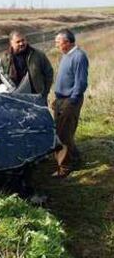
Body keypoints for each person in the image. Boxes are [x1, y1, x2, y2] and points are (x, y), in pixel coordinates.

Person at [53, 29, 89, 177]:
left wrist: (72, 101)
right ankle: (76, 158)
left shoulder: (79, 56)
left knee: (63, 135)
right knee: (61, 132)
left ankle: (64, 168)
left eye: (58, 42)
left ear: (67, 42)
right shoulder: (66, 55)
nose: (56, 44)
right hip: (61, 99)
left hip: (70, 100)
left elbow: (81, 83)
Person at [0, 30, 54, 101]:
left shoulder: (38, 55)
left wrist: (45, 92)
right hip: (15, 99)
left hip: (37, 97)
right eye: (18, 42)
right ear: (11, 43)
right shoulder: (4, 59)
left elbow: (49, 73)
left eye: (23, 40)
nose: (21, 43)